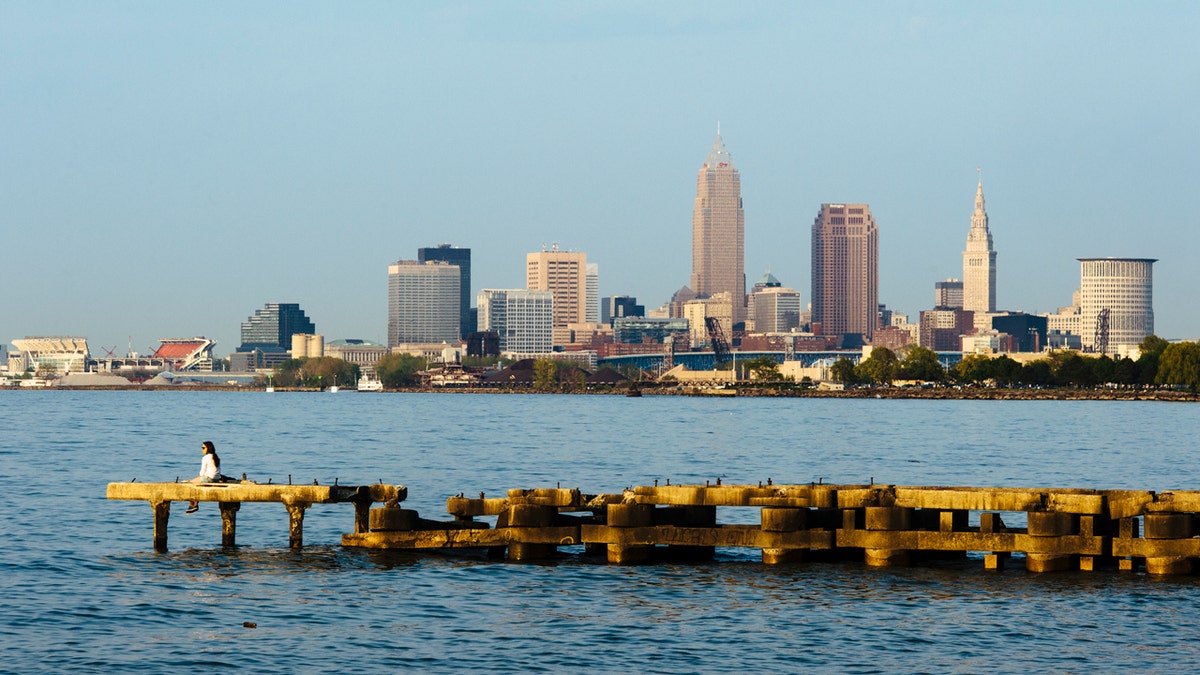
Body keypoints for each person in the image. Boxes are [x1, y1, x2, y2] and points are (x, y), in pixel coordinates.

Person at [185, 441, 221, 514]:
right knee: (196, 482)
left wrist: (197, 478)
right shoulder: (216, 457)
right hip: (216, 479)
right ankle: (194, 504)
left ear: (208, 448)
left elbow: (202, 472)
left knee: (189, 484)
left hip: (208, 478)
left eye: (203, 448)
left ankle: (193, 505)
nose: (202, 449)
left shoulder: (206, 458)